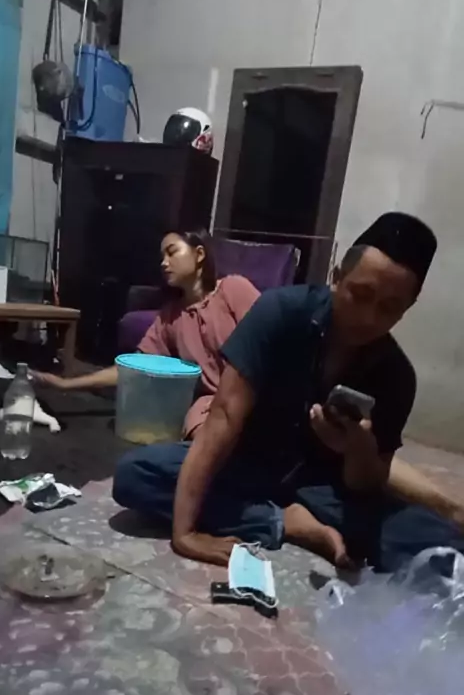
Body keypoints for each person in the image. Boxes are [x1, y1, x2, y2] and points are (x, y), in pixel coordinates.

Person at [113, 212, 464, 571]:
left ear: (407, 308)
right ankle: (285, 522)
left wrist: (357, 450)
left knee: (437, 541)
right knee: (136, 475)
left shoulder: (397, 375)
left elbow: (362, 483)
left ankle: (281, 516)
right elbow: (223, 419)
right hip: (247, 464)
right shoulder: (281, 312)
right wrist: (185, 533)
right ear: (337, 277)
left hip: (322, 487)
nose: (368, 318)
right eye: (360, 295)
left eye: (389, 308)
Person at [34, 229, 260, 439]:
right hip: (211, 405)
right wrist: (65, 384)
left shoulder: (233, 289)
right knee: (194, 424)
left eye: (172, 252)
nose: (164, 262)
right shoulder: (170, 316)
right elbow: (132, 369)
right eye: (162, 257)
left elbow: (271, 338)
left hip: (254, 396)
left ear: (199, 254)